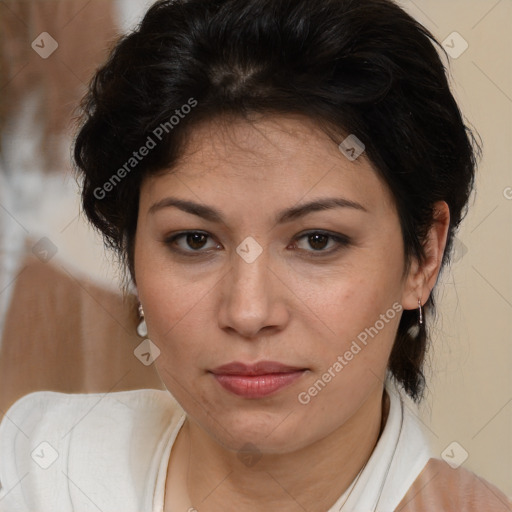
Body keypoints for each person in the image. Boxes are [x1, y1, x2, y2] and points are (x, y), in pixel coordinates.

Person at [0, 0, 510, 510]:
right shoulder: (38, 470)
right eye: (194, 240)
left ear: (423, 255)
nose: (248, 312)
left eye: (317, 240)